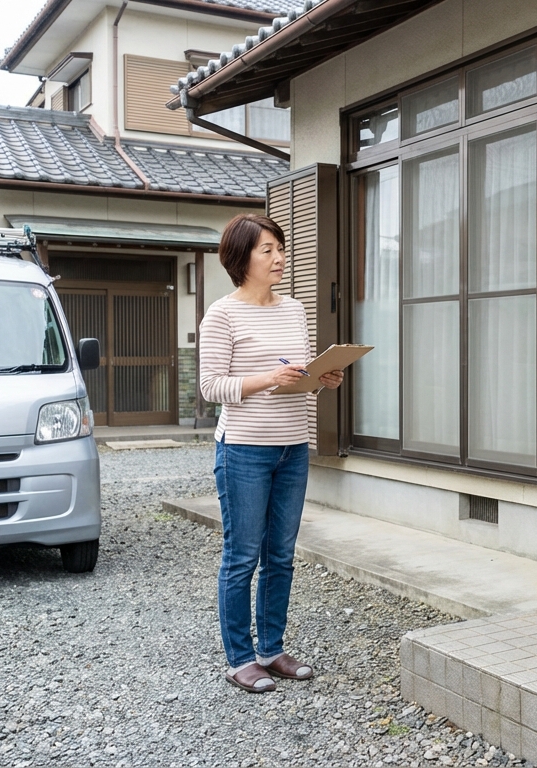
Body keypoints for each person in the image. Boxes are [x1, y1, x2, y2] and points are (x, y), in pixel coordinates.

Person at [199, 213, 344, 693]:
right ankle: (240, 659)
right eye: (268, 250)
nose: (280, 257)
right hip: (243, 450)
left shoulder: (294, 310)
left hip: (292, 447)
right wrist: (267, 378)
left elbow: (294, 379)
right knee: (242, 557)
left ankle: (271, 650)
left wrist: (320, 380)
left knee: (280, 555)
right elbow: (210, 387)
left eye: (280, 248)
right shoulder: (222, 314)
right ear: (241, 258)